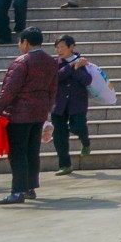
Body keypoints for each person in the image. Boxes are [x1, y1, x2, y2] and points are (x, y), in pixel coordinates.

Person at [0, 26, 58, 205]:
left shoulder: (22, 62)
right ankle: (30, 188)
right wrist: (46, 110)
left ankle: (18, 191)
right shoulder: (51, 62)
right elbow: (52, 89)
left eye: (21, 42)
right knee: (31, 151)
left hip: (19, 115)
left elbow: (9, 90)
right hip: (38, 114)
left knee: (18, 153)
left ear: (25, 43)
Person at [50, 33, 93, 173]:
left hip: (77, 103)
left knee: (78, 126)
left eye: (62, 47)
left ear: (71, 47)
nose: (59, 50)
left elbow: (87, 80)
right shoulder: (55, 64)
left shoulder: (83, 63)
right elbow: (55, 78)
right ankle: (65, 164)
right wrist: (70, 67)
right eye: (57, 47)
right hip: (59, 104)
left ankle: (85, 141)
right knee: (59, 137)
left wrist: (77, 68)